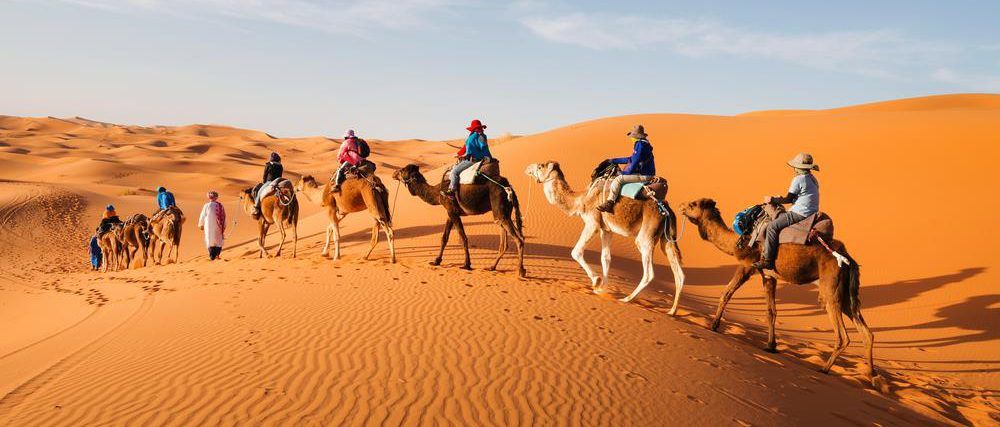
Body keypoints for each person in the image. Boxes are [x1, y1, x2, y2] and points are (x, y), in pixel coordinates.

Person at [753, 152, 821, 270]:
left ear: (798, 167)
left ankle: (768, 261)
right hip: (812, 210)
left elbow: (789, 199)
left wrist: (772, 199)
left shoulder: (799, 179)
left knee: (772, 227)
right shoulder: (812, 178)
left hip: (800, 212)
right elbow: (803, 194)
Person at [596, 125, 656, 213]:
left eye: (632, 137)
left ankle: (610, 202)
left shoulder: (640, 145)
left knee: (618, 180)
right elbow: (631, 159)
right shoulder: (644, 144)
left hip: (645, 175)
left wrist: (624, 173)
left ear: (636, 137)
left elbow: (634, 162)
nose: (631, 138)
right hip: (645, 173)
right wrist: (614, 161)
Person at [444, 119, 491, 197]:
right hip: (472, 158)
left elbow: (484, 148)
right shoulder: (473, 137)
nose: (480, 130)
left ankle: (452, 191)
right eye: (478, 128)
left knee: (454, 172)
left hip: (472, 160)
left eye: (480, 128)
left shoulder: (479, 137)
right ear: (474, 129)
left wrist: (489, 157)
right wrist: (459, 154)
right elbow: (466, 147)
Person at [198, 190, 227, 260]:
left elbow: (202, 215)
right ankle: (217, 255)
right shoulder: (220, 206)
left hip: (209, 226)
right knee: (218, 240)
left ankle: (212, 256)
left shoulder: (206, 205)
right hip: (218, 226)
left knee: (209, 239)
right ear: (216, 197)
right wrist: (224, 225)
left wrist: (200, 224)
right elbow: (224, 216)